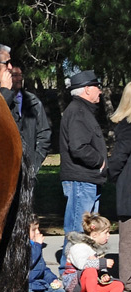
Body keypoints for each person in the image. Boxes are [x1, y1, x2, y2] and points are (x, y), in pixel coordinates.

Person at [59, 70, 106, 261]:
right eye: (97, 87)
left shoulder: (83, 110)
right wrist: (99, 161)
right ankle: (70, 272)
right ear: (86, 89)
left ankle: (85, 269)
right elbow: (78, 147)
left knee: (87, 230)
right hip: (81, 179)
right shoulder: (78, 112)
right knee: (77, 229)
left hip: (86, 179)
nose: (100, 91)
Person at [62, 212, 123, 292]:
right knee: (90, 270)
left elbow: (98, 267)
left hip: (90, 283)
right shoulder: (79, 246)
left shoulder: (97, 248)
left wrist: (103, 275)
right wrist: (103, 263)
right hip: (74, 283)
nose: (108, 236)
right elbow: (82, 265)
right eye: (106, 232)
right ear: (94, 235)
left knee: (118, 284)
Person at [106, 80, 131, 292]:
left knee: (127, 238)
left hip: (129, 189)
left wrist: (111, 174)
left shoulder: (126, 126)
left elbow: (119, 157)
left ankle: (128, 279)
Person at [10, 66, 51, 175]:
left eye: (20, 75)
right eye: (15, 75)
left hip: (28, 169)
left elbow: (44, 133)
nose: (19, 79)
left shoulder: (34, 102)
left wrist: (35, 161)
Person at [28, 218, 70, 292]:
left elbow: (43, 269)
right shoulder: (25, 247)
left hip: (39, 287)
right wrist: (38, 245)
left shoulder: (35, 246)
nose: (38, 232)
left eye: (38, 229)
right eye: (34, 230)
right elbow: (30, 262)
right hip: (26, 289)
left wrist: (53, 279)